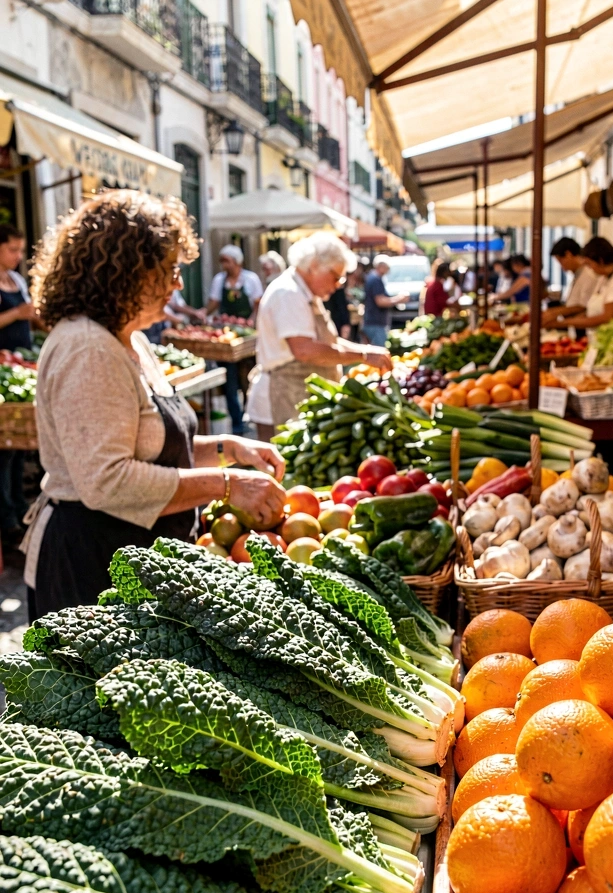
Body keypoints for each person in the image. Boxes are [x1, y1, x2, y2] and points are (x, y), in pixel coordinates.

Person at [24, 189, 286, 617]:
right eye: (168, 270)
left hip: (136, 558)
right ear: (126, 272)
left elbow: (150, 445)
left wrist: (228, 449)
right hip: (94, 567)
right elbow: (108, 480)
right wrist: (226, 484)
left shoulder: (130, 340)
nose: (178, 284)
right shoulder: (88, 350)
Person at [247, 232, 393, 441]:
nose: (338, 284)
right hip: (283, 395)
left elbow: (326, 343)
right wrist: (362, 354)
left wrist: (365, 351)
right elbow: (305, 349)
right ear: (314, 265)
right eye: (336, 277)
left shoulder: (305, 293)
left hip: (297, 394)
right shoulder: (288, 293)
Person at [0, 225, 43, 542]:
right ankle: (7, 516)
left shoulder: (16, 280)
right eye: (12, 250)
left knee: (17, 450)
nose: (18, 256)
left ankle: (18, 506)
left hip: (22, 365)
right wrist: (17, 313)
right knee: (4, 450)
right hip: (3, 372)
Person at [206, 244, 264, 434]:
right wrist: (203, 314)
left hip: (247, 337)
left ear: (237, 262)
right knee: (229, 382)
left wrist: (251, 323)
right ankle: (237, 422)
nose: (224, 265)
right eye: (222, 261)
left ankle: (250, 416)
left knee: (248, 378)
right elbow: (214, 302)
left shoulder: (250, 279)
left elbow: (258, 304)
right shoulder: (219, 280)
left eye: (227, 261)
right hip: (226, 336)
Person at [557, 237, 613, 330]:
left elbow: (608, 317)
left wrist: (564, 323)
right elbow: (594, 311)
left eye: (589, 264)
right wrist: (578, 319)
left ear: (600, 261)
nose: (589, 269)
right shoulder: (604, 278)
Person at [362, 255, 408, 346]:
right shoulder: (375, 279)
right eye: (387, 267)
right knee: (379, 351)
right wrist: (399, 299)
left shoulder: (374, 278)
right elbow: (380, 301)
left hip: (374, 321)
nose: (388, 270)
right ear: (381, 266)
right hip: (375, 322)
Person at [549, 237, 598, 316]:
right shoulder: (578, 273)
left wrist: (553, 313)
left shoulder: (588, 274)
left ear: (568, 254)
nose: (561, 266)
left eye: (560, 261)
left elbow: (583, 306)